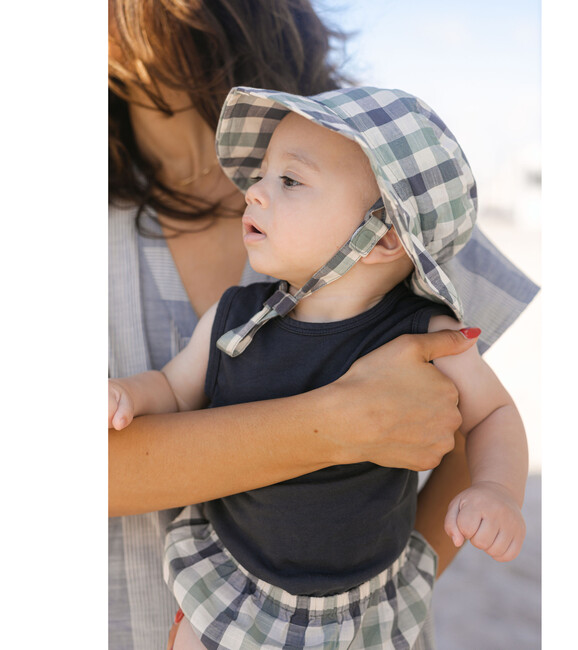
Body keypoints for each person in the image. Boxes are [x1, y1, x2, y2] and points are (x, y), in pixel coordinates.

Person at [108, 2, 539, 648]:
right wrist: (126, 396)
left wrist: (497, 492)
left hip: (365, 605)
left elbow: (489, 417)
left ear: (386, 237)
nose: (254, 191)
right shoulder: (238, 315)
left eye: (286, 181)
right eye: (260, 176)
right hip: (235, 575)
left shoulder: (421, 321)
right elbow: (170, 389)